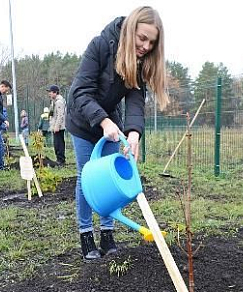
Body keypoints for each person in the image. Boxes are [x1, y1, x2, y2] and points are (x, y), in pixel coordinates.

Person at [66, 6, 169, 261]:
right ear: (131, 29)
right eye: (142, 38)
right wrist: (102, 121)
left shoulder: (139, 61)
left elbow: (135, 99)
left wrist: (133, 133)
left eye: (151, 42)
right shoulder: (101, 45)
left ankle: (108, 232)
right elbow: (80, 91)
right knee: (86, 176)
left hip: (111, 123)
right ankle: (86, 233)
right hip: (82, 119)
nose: (145, 46)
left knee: (113, 178)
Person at [47, 85, 66, 165]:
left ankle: (61, 160)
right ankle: (59, 159)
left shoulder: (59, 102)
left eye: (50, 92)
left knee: (59, 143)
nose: (49, 94)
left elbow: (60, 115)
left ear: (55, 92)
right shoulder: (54, 101)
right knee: (56, 143)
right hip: (55, 126)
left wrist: (57, 126)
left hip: (58, 127)